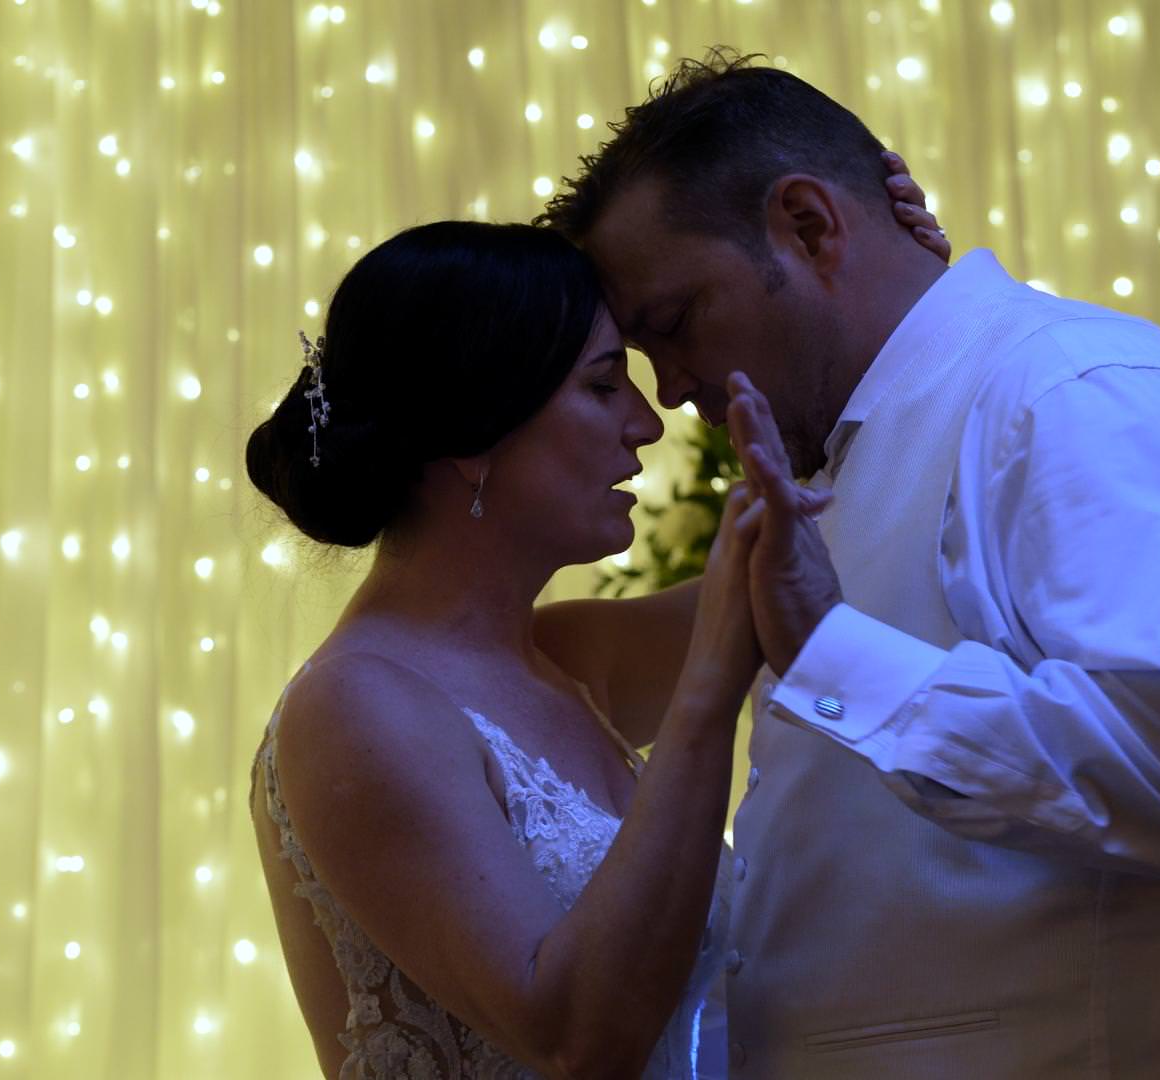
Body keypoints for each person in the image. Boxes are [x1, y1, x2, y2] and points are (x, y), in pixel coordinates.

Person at [538, 50, 1160, 1076]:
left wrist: (837, 652)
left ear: (812, 227)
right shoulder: (853, 457)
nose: (675, 389)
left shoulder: (1082, 395)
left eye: (678, 324)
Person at [246, 178, 948, 1075]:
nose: (645, 424)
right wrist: (703, 694)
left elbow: (853, 548)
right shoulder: (357, 708)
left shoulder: (569, 657)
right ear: (472, 432)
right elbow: (575, 1036)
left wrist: (892, 299)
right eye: (603, 385)